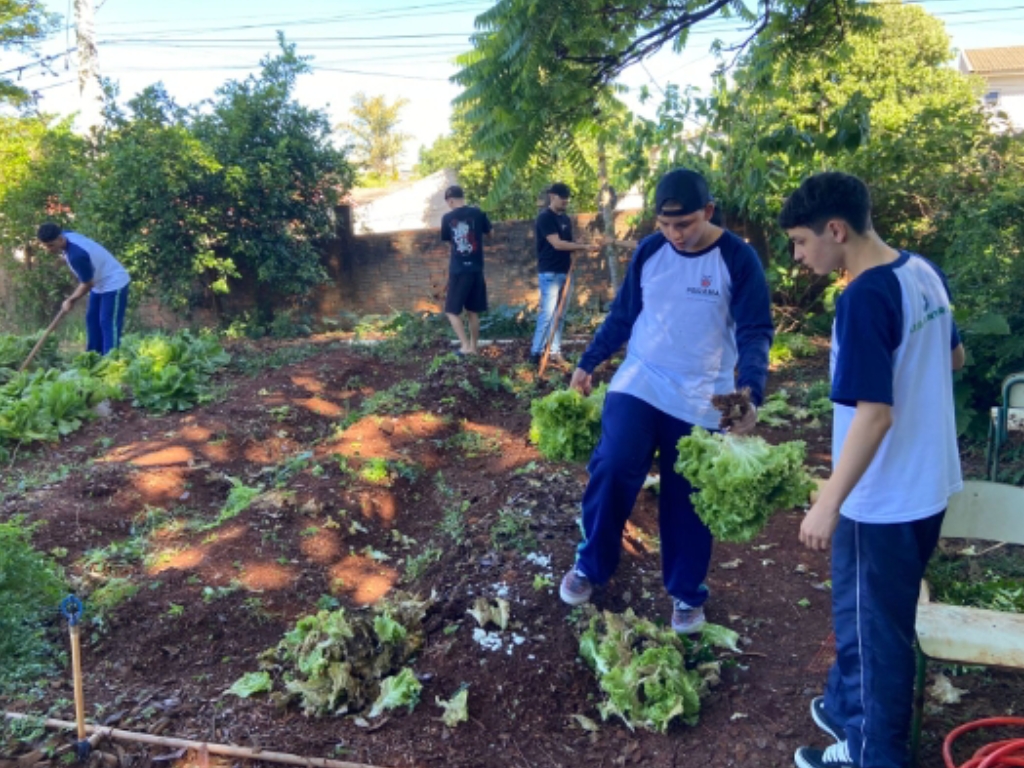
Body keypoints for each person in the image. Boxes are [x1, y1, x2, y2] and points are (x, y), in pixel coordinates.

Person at [779, 172, 965, 768]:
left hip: (881, 499)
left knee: (874, 635)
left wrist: (829, 501)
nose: (800, 257)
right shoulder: (920, 272)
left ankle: (870, 754)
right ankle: (843, 706)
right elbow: (955, 357)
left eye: (802, 243)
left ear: (836, 229)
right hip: (929, 486)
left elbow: (875, 416)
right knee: (878, 615)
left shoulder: (861, 296)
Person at [558, 168, 774, 634]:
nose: (675, 235)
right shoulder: (651, 251)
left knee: (688, 497)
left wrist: (750, 392)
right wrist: (589, 360)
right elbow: (624, 314)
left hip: (703, 396)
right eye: (665, 225)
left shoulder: (737, 259)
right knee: (614, 464)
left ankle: (685, 592)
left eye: (686, 225)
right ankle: (591, 565)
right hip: (641, 380)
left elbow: (756, 331)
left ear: (709, 212)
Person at [529, 182, 599, 365]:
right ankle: (536, 352)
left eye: (567, 199)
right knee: (548, 313)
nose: (566, 201)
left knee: (560, 314)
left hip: (565, 271)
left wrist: (578, 243)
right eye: (563, 198)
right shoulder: (544, 218)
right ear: (552, 196)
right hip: (550, 273)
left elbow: (568, 245)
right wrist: (583, 247)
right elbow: (557, 244)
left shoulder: (566, 220)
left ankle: (555, 351)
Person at [37, 223, 131, 355]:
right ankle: (93, 357)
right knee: (92, 319)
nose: (48, 249)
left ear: (60, 239)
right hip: (99, 282)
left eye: (51, 245)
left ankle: (111, 362)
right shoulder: (67, 235)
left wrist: (70, 300)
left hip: (114, 282)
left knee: (108, 322)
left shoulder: (76, 255)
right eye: (45, 246)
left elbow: (87, 283)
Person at [440, 185, 492, 356]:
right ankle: (474, 348)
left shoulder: (447, 217)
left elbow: (451, 242)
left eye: (448, 202)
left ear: (451, 200)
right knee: (472, 311)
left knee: (451, 311)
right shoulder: (479, 212)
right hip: (477, 269)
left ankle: (465, 346)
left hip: (459, 270)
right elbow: (490, 234)